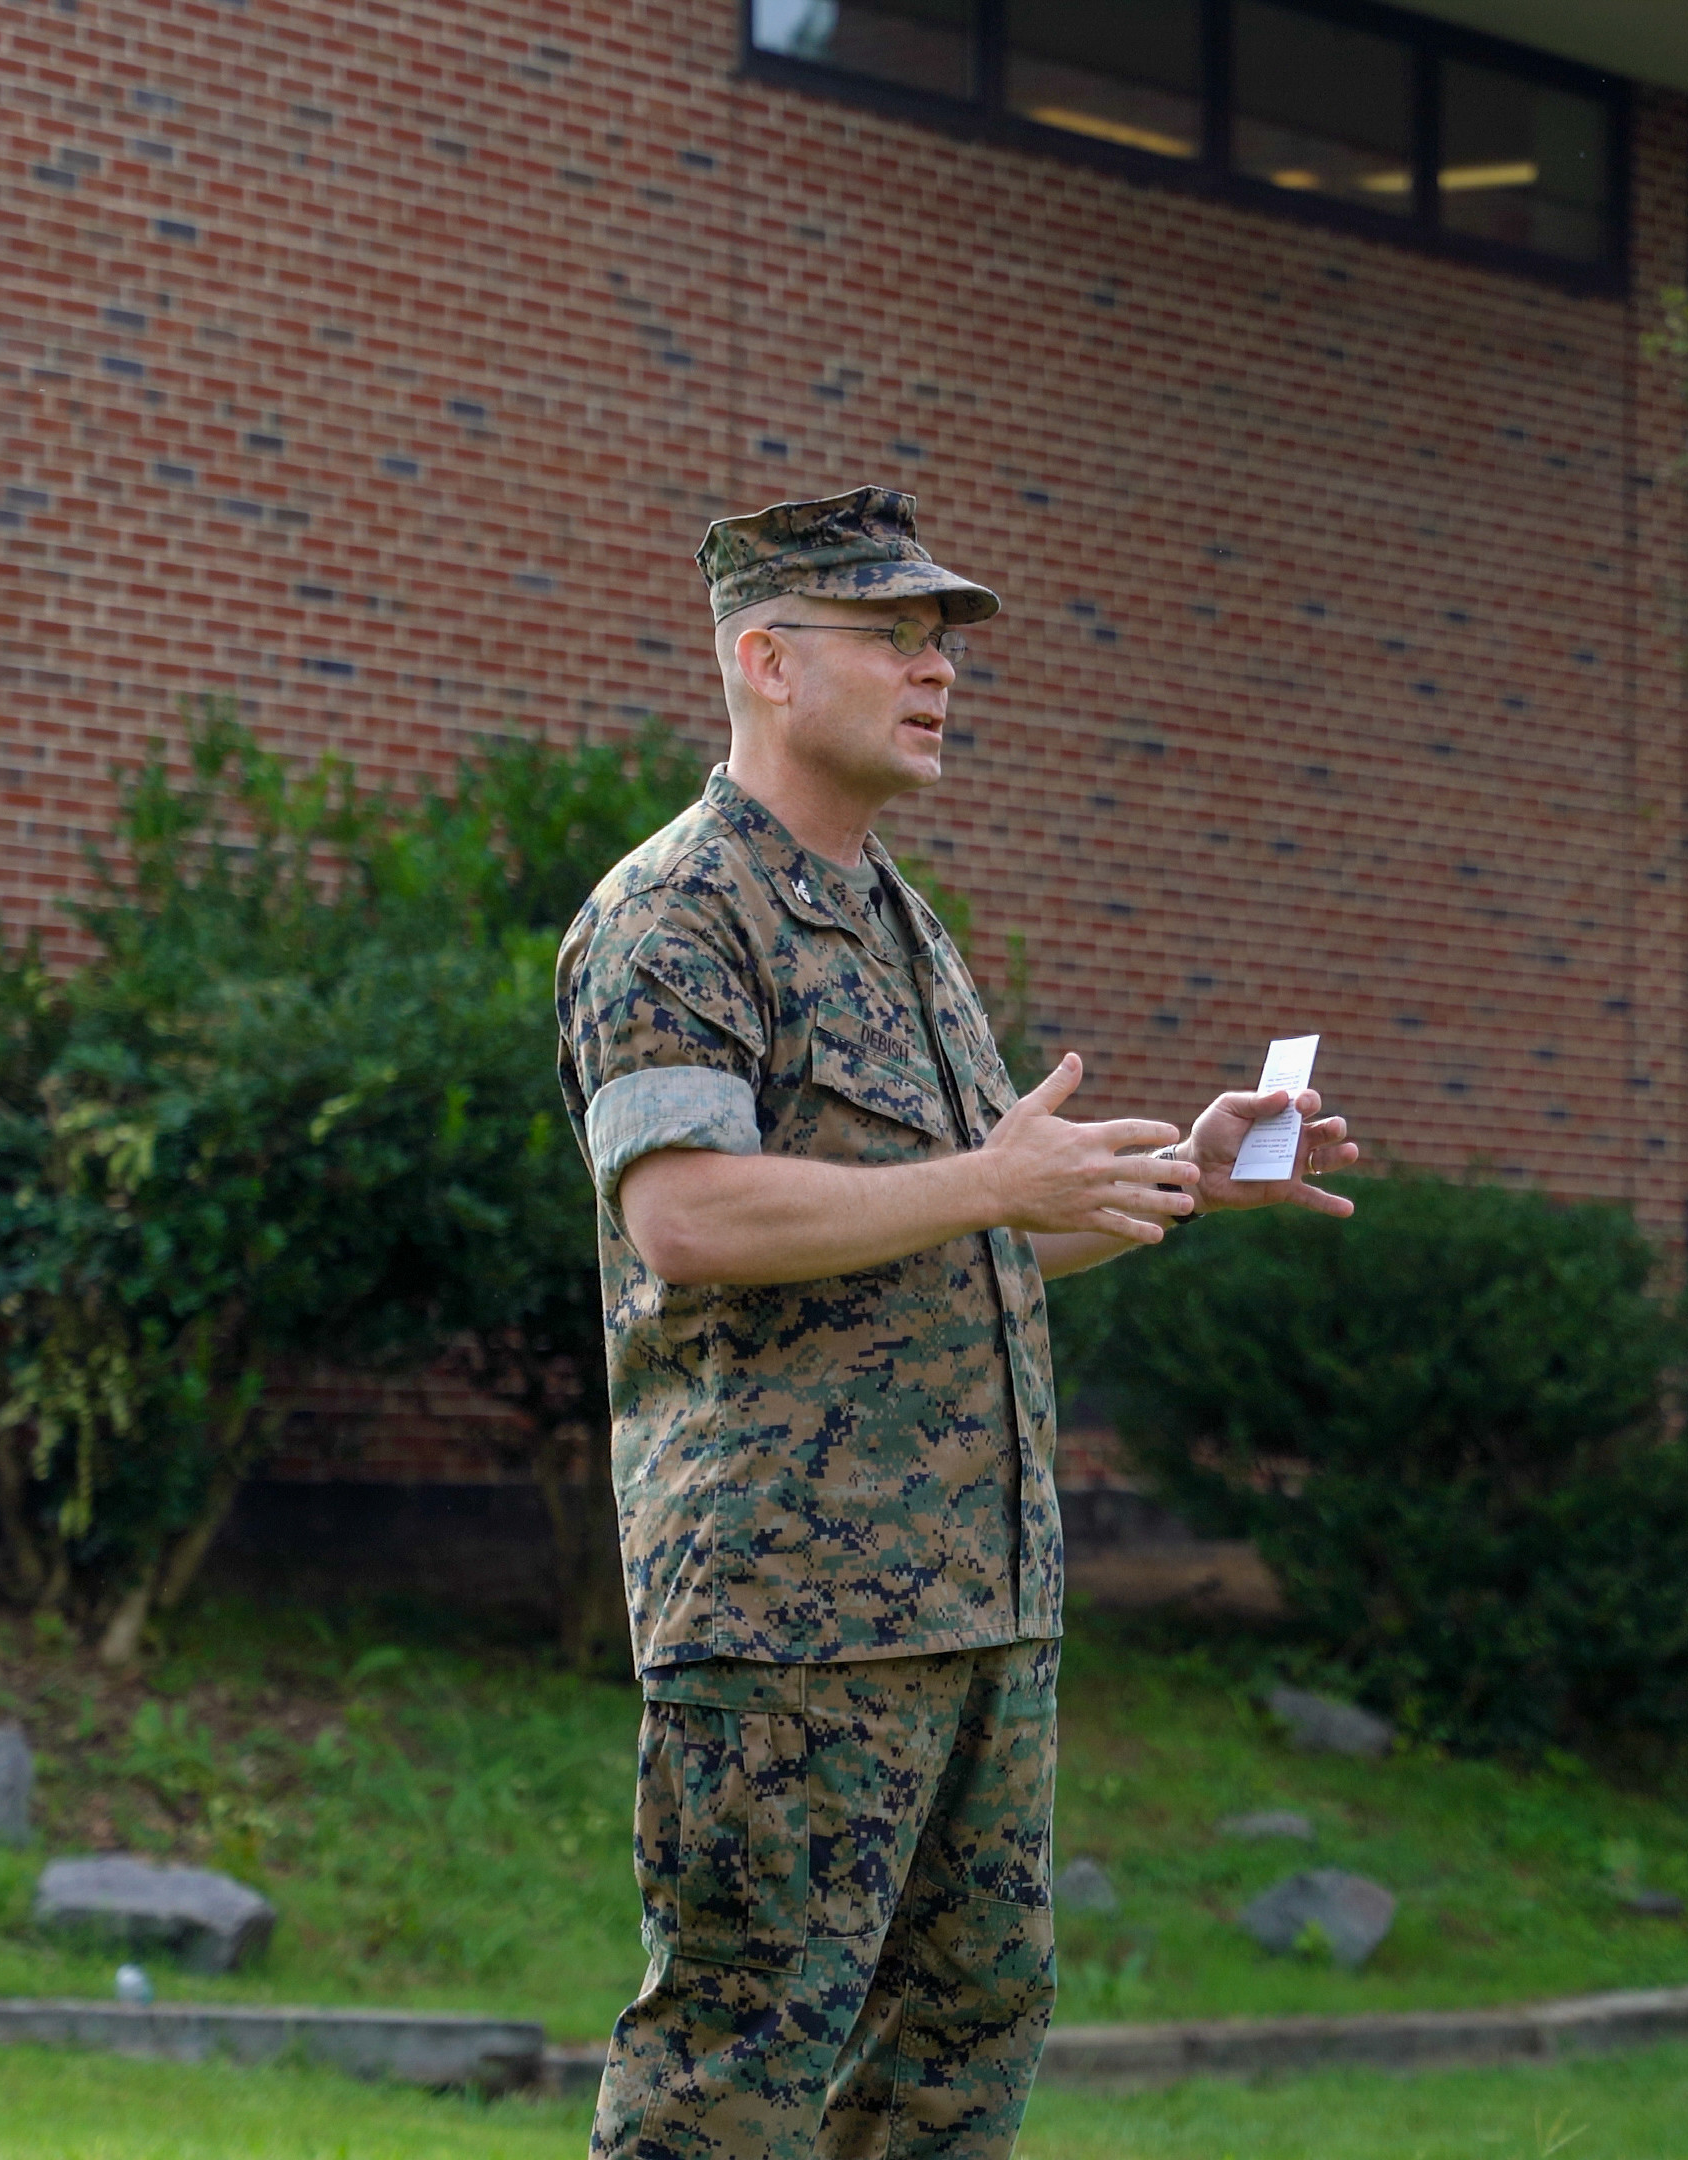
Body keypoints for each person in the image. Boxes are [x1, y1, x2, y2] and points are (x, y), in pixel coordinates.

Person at [554, 485, 1360, 2157]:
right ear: (768, 661)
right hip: (792, 1615)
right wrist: (991, 1180)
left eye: (943, 642)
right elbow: (688, 1217)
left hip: (977, 1603)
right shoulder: (676, 911)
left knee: (961, 2050)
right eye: (893, 636)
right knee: (735, 2068)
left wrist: (1179, 1179)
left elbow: (951, 1238)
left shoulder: (899, 922)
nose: (936, 671)